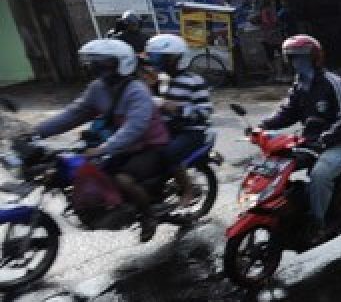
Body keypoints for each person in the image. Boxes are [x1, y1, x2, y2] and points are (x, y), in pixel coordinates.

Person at [33, 39, 168, 241]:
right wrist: (36, 132)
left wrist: (103, 148)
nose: (96, 68)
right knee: (91, 172)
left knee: (123, 179)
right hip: (119, 146)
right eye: (94, 64)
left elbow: (135, 128)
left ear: (121, 64)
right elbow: (74, 113)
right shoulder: (98, 88)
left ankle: (148, 216)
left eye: (102, 64)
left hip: (148, 145)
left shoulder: (137, 90)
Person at [257, 35, 341, 239]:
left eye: (301, 58)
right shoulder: (300, 85)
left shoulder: (334, 83)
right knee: (274, 168)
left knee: (319, 176)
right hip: (309, 144)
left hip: (338, 144)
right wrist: (263, 126)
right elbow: (287, 112)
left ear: (315, 58)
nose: (297, 63)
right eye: (293, 58)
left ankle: (318, 222)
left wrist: (324, 139)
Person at [145, 33, 212, 210]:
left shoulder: (194, 81)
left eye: (161, 58)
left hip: (191, 131)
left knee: (169, 152)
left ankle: (187, 190)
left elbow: (205, 112)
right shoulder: (164, 81)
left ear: (175, 58)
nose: (156, 62)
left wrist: (178, 108)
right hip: (168, 128)